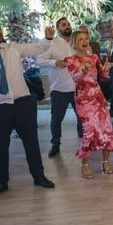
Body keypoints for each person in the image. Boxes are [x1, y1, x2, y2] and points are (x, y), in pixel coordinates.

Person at [0, 18, 56, 198]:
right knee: (0, 147)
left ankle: (38, 176)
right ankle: (1, 182)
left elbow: (38, 48)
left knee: (32, 143)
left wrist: (47, 38)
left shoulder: (13, 48)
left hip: (22, 104)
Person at [63, 31, 113, 178]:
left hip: (98, 98)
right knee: (89, 132)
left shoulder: (94, 57)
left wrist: (107, 68)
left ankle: (105, 161)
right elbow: (76, 78)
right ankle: (84, 164)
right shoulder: (70, 60)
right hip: (83, 100)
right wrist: (83, 71)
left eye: (86, 38)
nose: (84, 41)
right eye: (80, 39)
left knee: (107, 130)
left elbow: (104, 76)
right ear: (74, 43)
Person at [35, 17, 82, 158]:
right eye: (63, 24)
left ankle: (84, 140)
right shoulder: (51, 43)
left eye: (68, 24)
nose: (66, 26)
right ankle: (55, 144)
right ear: (58, 28)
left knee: (82, 116)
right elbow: (39, 61)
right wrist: (56, 62)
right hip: (59, 89)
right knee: (56, 119)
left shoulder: (77, 42)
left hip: (78, 88)